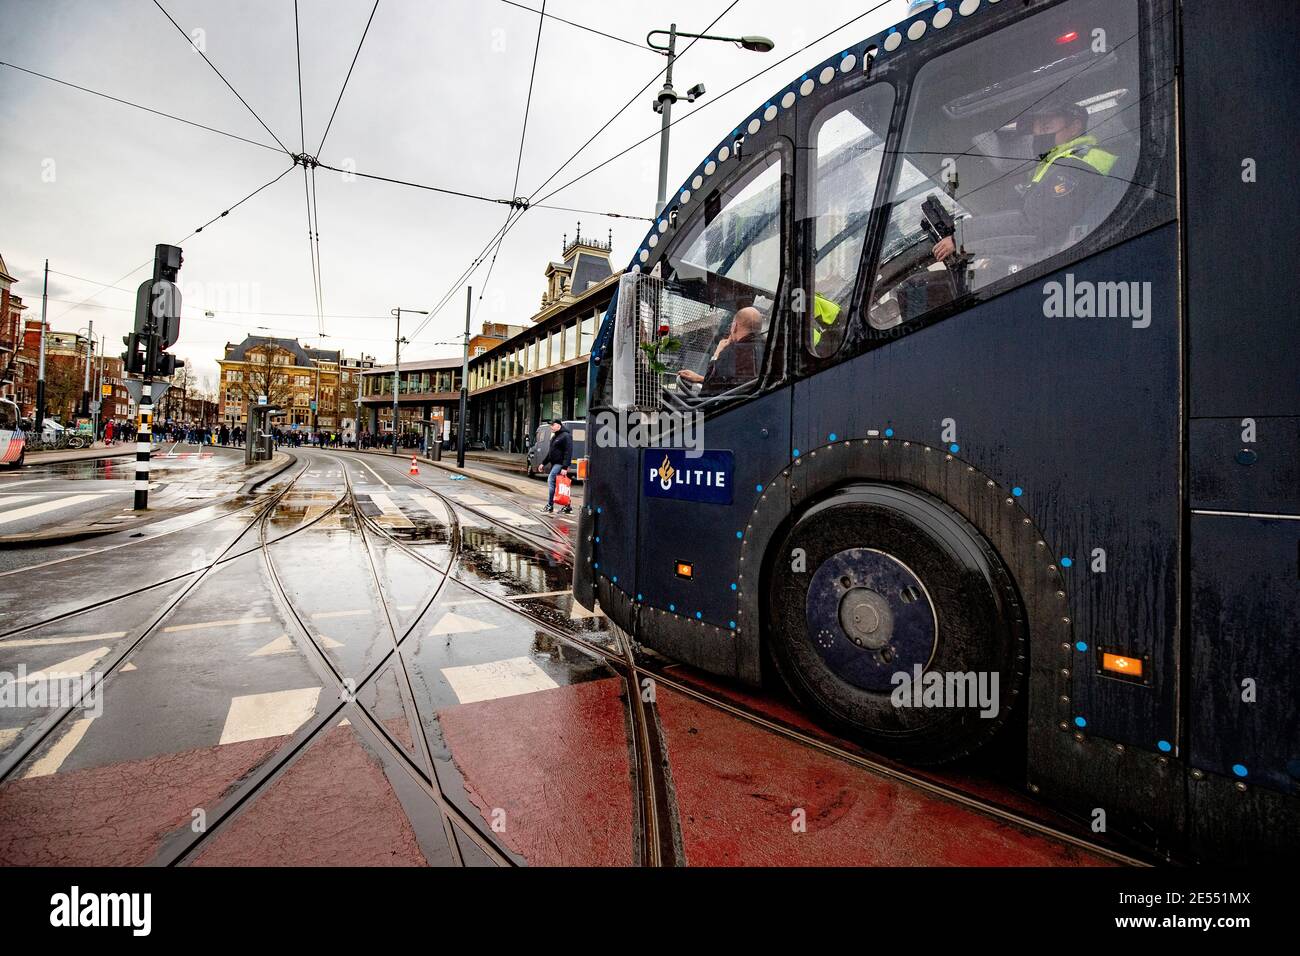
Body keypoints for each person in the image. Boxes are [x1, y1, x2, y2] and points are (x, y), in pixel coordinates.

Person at [931, 97, 1119, 269]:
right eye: (1036, 131)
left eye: (1045, 128)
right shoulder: (1056, 162)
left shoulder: (1076, 165)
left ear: (1075, 126)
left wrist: (963, 240)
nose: (1039, 136)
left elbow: (1033, 227)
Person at [677, 306, 764, 398]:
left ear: (734, 326)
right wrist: (699, 379)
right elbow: (735, 383)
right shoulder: (770, 350)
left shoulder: (731, 352)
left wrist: (717, 353)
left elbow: (707, 394)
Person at [536, 419, 573, 514]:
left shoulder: (566, 436)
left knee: (551, 479)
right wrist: (543, 463)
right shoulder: (554, 437)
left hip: (560, 464)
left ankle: (550, 505)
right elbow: (550, 453)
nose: (551, 427)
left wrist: (565, 467)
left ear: (559, 426)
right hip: (555, 464)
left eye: (553, 425)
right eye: (550, 425)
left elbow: (568, 452)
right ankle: (567, 506)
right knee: (560, 485)